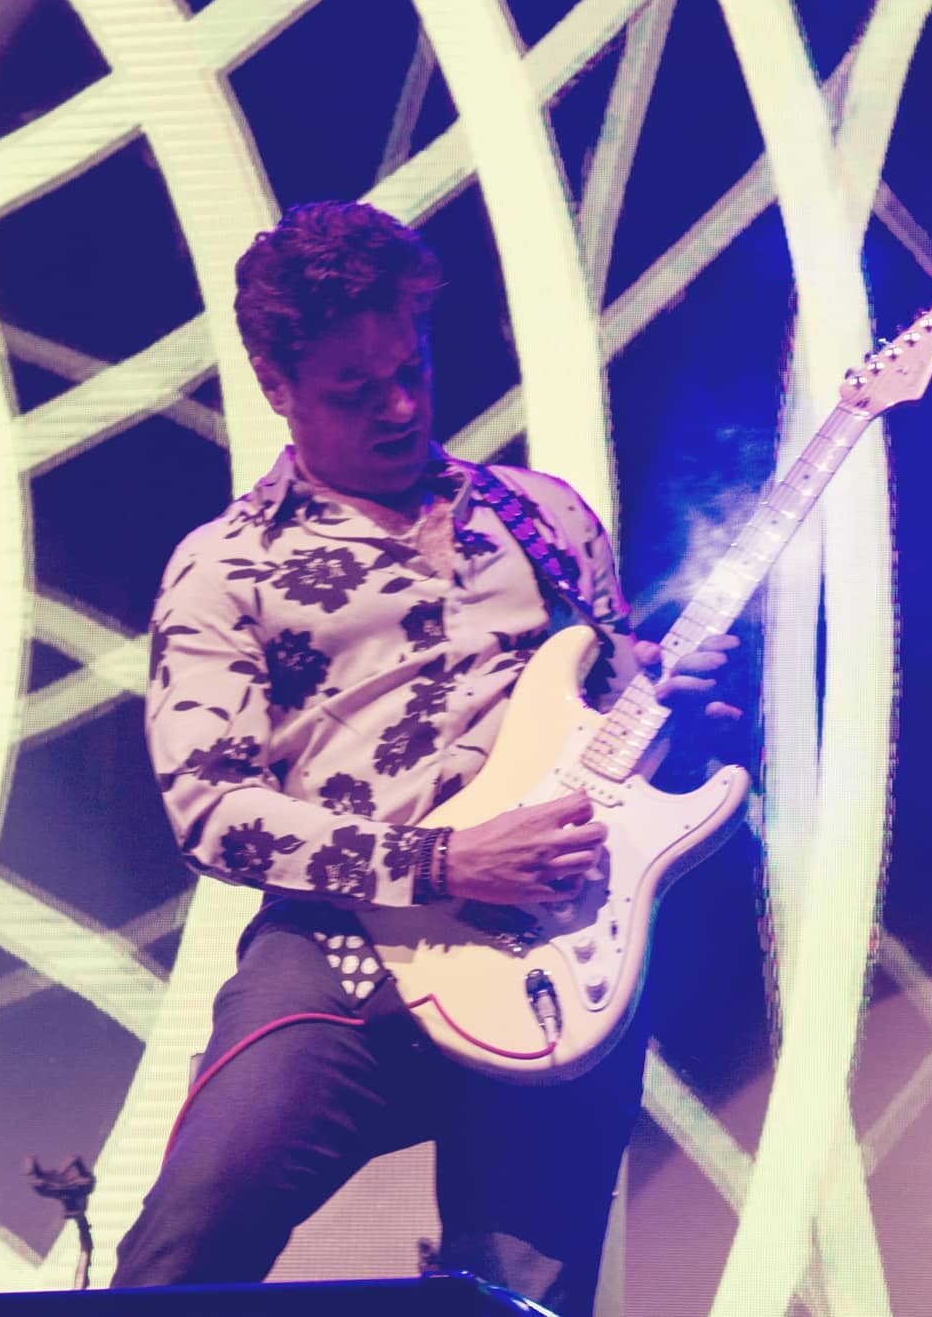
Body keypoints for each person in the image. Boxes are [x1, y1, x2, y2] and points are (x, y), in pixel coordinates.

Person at [112, 201, 738, 1314]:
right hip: (341, 954)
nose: (400, 407)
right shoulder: (226, 567)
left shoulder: (546, 519)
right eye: (355, 390)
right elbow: (211, 809)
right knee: (181, 1255)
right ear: (276, 384)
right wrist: (444, 862)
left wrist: (672, 716)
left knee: (524, 1301)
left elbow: (608, 742)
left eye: (412, 369)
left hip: (557, 953)